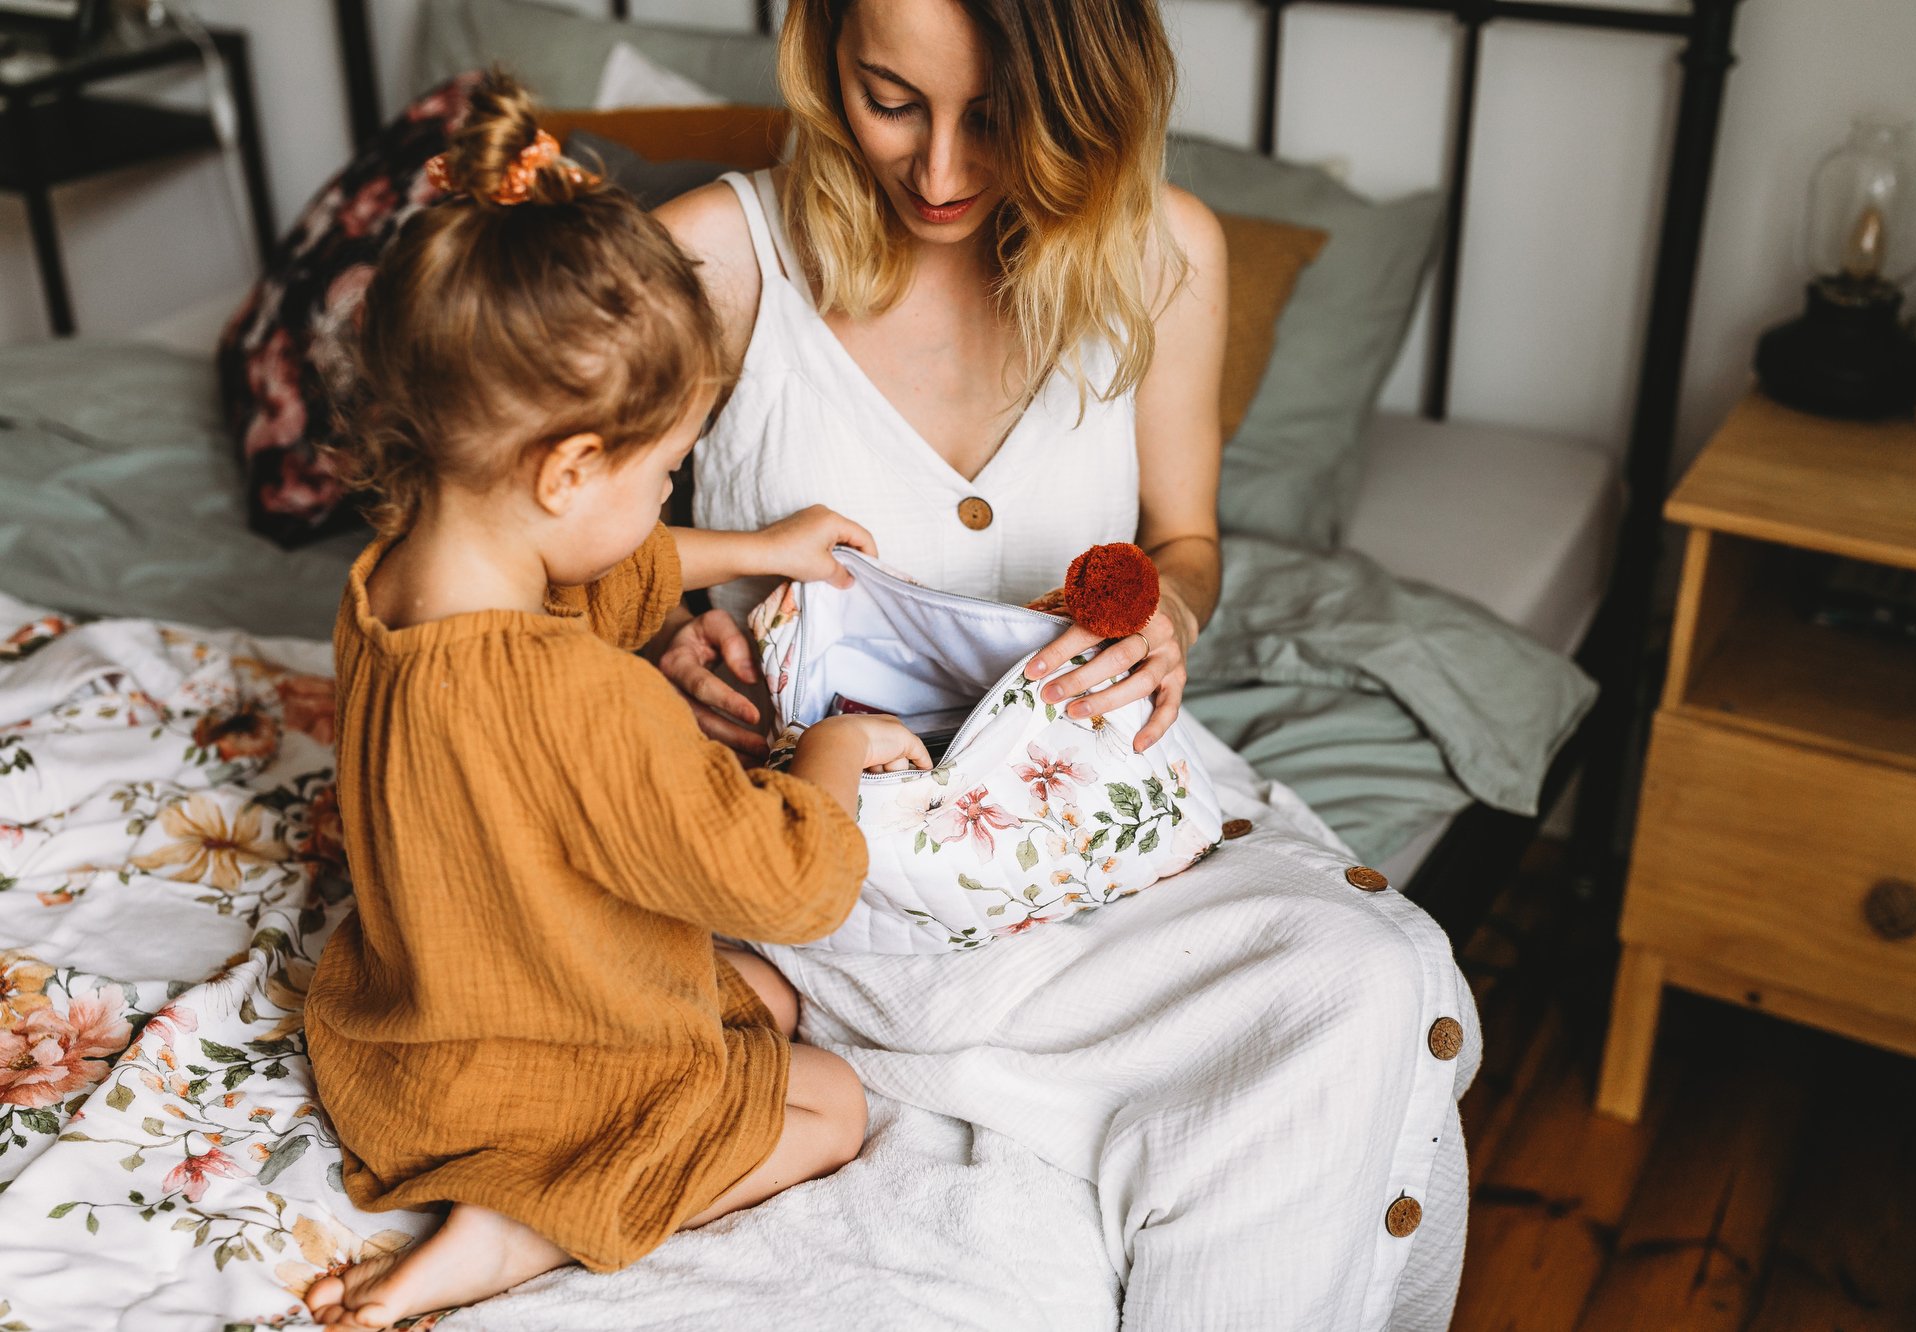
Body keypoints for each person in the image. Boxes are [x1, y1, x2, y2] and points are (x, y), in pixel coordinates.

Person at [653, 1, 1481, 1326]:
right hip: (817, 831)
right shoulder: (715, 257)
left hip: (1084, 800)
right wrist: (665, 642)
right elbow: (548, 541)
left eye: (995, 118)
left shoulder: (1164, 255)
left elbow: (1187, 541)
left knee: (1368, 974)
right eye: (892, 99)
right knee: (1315, 1026)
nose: (938, 173)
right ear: (821, 63)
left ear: (1088, 97)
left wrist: (1170, 617)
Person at [301, 76, 928, 1331]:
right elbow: (785, 884)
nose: (669, 502)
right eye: (665, 476)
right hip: (543, 1084)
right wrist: (839, 749)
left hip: (401, 1048)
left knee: (760, 997)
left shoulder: (387, 590)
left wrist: (758, 544)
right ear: (572, 467)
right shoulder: (588, 701)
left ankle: (511, 1193)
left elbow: (594, 567)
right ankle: (523, 1226)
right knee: (829, 1098)